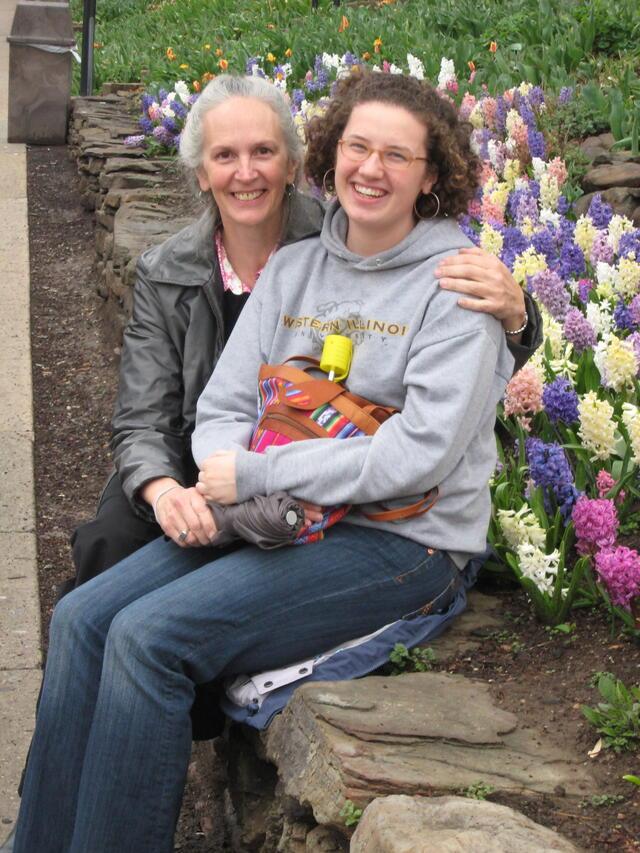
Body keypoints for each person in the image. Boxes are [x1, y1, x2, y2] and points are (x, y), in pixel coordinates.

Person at [12, 69, 520, 853]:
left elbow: (416, 456)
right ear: (329, 151)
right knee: (84, 615)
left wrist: (254, 474)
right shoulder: (300, 265)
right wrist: (223, 467)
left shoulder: (454, 285)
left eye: (397, 155)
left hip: (401, 541)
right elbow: (220, 409)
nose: (371, 168)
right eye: (357, 146)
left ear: (432, 175)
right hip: (285, 517)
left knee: (151, 637)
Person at [68, 73, 540, 590]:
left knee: (164, 622)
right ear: (201, 173)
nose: (245, 173)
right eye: (224, 156)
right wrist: (166, 492)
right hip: (193, 456)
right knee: (105, 556)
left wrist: (518, 317)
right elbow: (144, 419)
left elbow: (454, 378)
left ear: (294, 164)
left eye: (264, 151)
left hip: (315, 466)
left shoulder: (347, 235)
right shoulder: (167, 271)